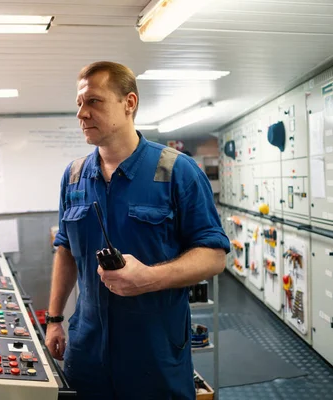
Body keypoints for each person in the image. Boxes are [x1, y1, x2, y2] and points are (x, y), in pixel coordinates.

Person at [45, 61, 230, 399]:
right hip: (87, 351)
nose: (81, 113)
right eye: (79, 103)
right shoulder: (73, 176)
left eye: (94, 101)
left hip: (154, 355)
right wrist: (54, 318)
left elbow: (214, 256)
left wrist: (149, 278)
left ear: (129, 103)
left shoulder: (178, 171)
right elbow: (66, 250)